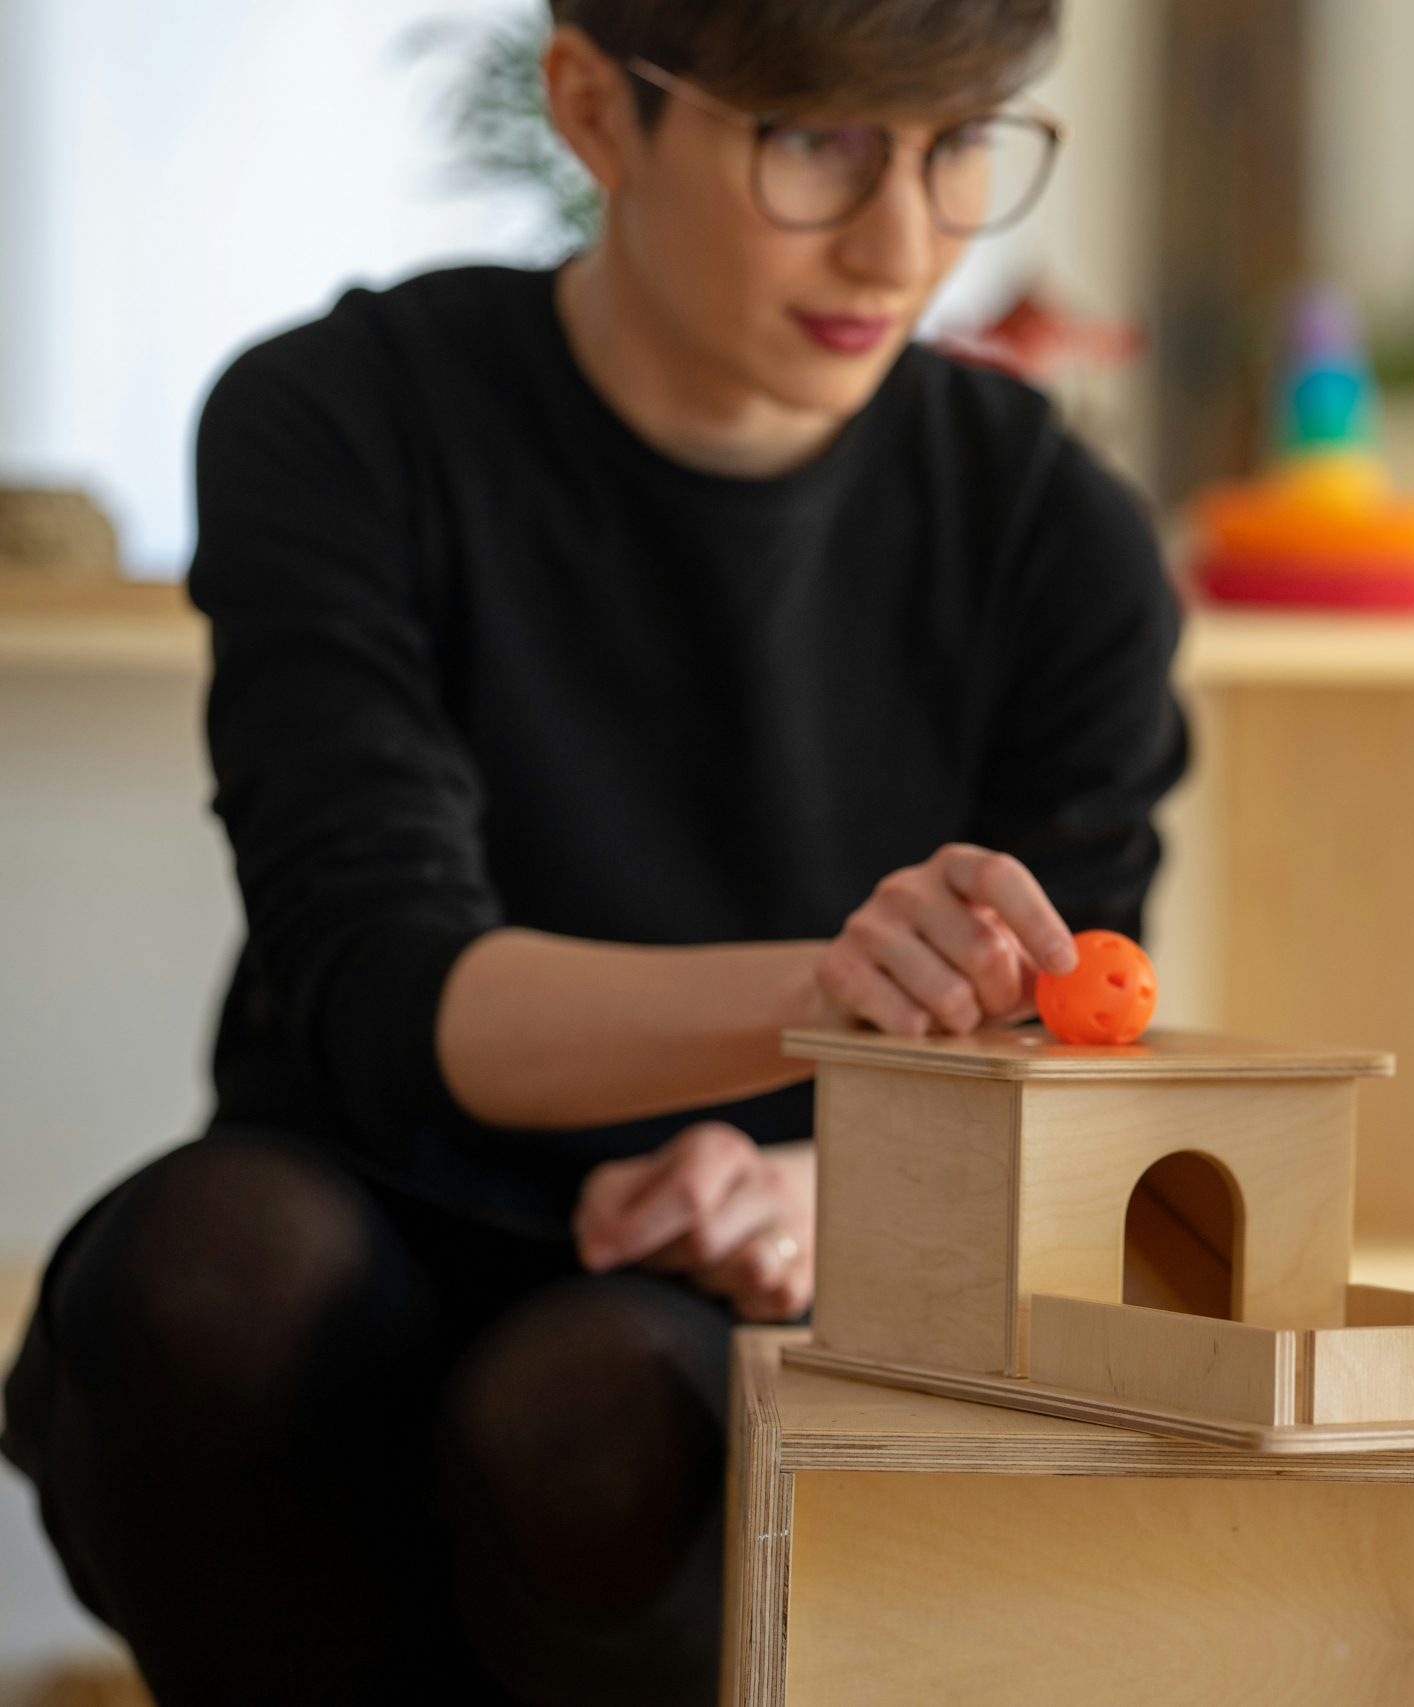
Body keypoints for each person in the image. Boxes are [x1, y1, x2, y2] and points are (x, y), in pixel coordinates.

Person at [1, 2, 1187, 1701]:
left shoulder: (1054, 535)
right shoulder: (340, 420)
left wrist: (809, 1194)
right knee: (210, 1281)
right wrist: (825, 991)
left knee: (599, 1419)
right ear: (591, 108)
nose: (902, 239)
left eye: (957, 145)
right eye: (818, 143)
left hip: (737, 1278)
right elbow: (385, 983)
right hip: (354, 1224)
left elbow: (1072, 1069)